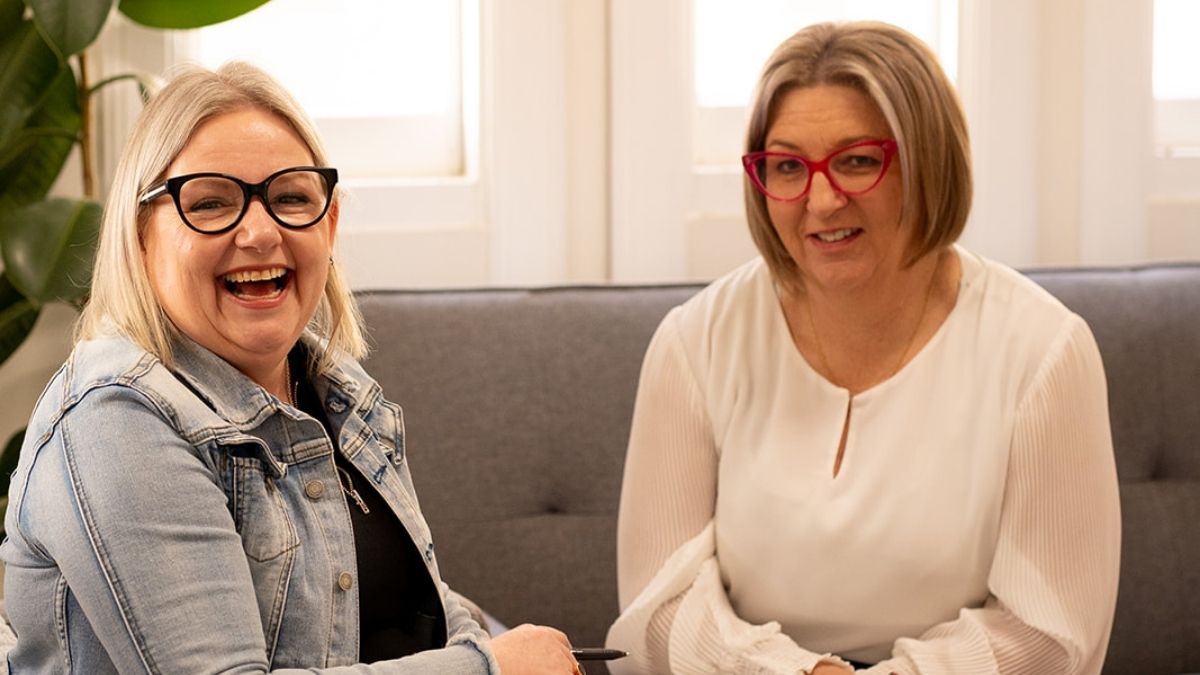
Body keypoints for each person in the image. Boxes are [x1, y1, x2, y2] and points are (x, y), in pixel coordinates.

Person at [0, 62, 582, 674]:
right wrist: (490, 669)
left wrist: (498, 649)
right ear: (141, 235)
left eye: (290, 198)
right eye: (210, 202)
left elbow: (423, 601)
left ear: (329, 225)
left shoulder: (337, 388)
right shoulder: (113, 421)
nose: (259, 232)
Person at [606, 21, 1120, 674]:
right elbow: (657, 609)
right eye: (787, 166)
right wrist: (799, 673)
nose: (820, 200)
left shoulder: (1044, 353)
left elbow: (1050, 632)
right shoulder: (694, 343)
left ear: (929, 163)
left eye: (857, 160)